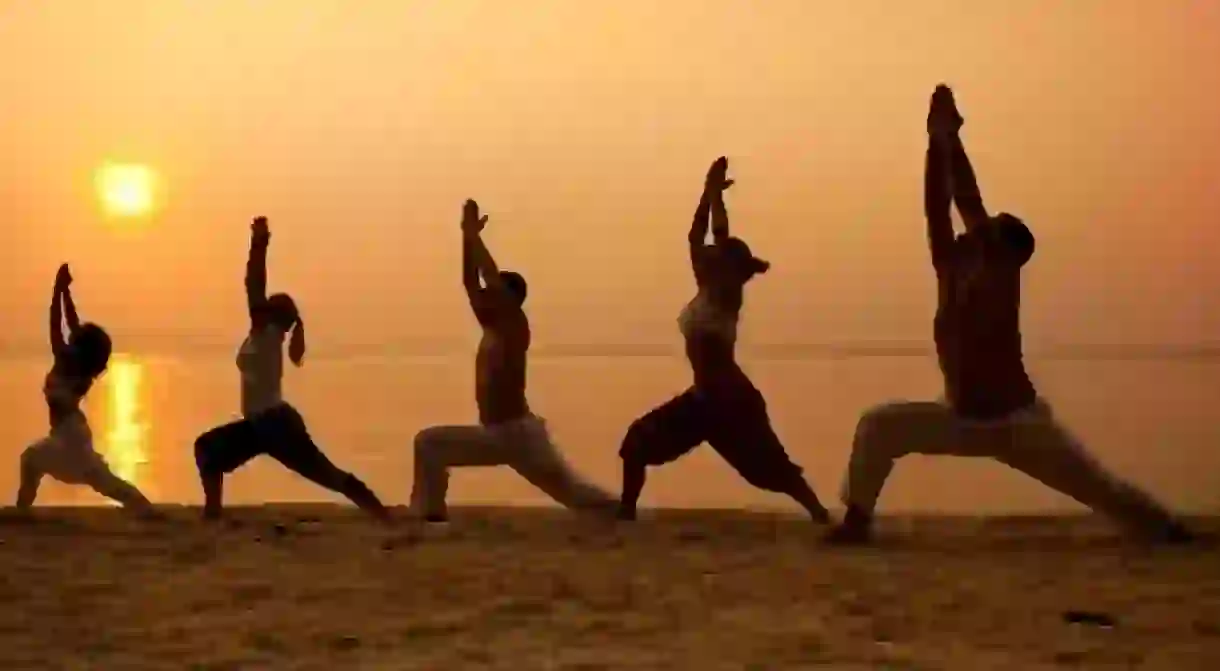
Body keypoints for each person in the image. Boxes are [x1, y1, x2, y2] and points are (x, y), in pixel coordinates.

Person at [825, 85, 1195, 544]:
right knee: (878, 427)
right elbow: (936, 209)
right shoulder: (951, 267)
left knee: (1103, 491)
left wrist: (949, 137)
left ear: (1008, 253)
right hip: (960, 418)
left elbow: (965, 201)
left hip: (1017, 424)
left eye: (990, 233)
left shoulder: (999, 275)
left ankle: (1170, 533)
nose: (975, 233)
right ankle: (857, 523)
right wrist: (933, 141)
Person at [616, 157, 831, 523]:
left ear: (730, 267)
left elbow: (717, 235)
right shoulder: (707, 289)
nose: (704, 257)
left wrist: (715, 197)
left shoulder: (728, 292)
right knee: (636, 443)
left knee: (767, 469)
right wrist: (708, 192)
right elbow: (696, 237)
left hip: (731, 399)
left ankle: (820, 514)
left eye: (715, 256)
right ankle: (625, 514)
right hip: (704, 399)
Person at [409, 199, 617, 523]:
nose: (484, 298)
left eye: (494, 294)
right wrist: (465, 238)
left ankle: (624, 512)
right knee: (430, 445)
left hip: (518, 435)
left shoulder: (514, 326)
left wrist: (475, 236)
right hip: (496, 434)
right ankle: (429, 512)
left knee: (572, 492)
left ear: (511, 299)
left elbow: (488, 278)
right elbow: (470, 282)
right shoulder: (492, 327)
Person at [192, 216, 390, 522]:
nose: (259, 304)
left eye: (267, 303)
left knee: (327, 474)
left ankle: (380, 513)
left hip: (276, 426)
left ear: (273, 315)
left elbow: (253, 283)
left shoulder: (267, 334)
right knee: (207, 449)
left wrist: (259, 243)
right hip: (260, 425)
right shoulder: (263, 336)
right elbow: (255, 289)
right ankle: (213, 514)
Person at [16, 264, 160, 515]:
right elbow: (73, 325)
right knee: (102, 481)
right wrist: (65, 292)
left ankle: (21, 513)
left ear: (80, 348)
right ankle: (145, 508)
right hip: (72, 433)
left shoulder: (67, 361)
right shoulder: (79, 366)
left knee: (33, 461)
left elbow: (55, 325)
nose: (73, 334)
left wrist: (57, 290)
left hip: (70, 436)